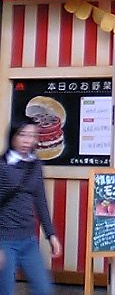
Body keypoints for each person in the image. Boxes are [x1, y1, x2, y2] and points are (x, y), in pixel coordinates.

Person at [0, 117, 62, 295]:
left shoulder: (35, 165)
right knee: (5, 290)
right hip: (4, 240)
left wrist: (51, 235)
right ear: (13, 136)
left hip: (28, 240)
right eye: (23, 135)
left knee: (44, 290)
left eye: (33, 136)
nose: (28, 140)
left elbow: (40, 201)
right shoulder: (2, 166)